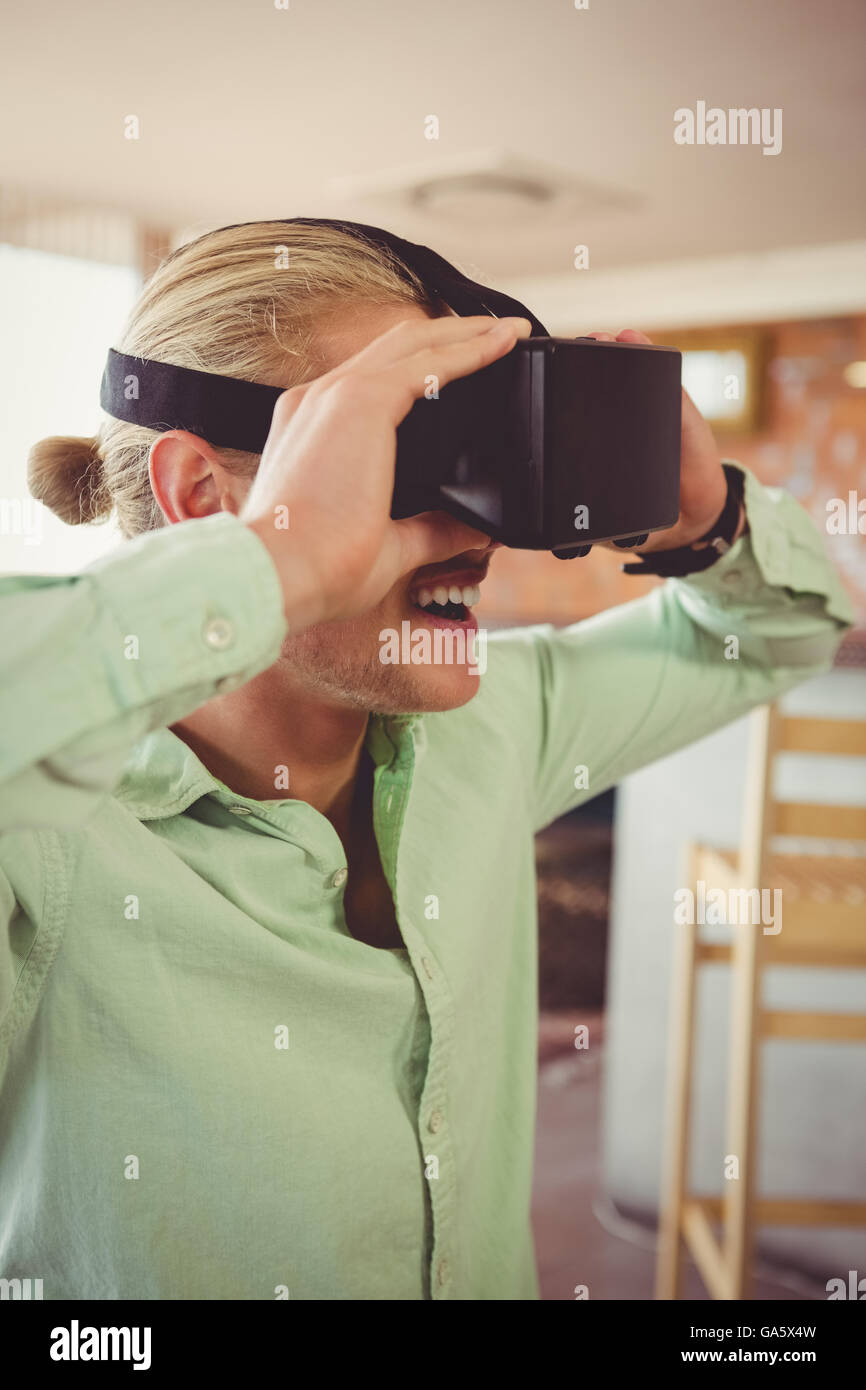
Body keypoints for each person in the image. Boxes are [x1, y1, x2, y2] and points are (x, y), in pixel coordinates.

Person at [0, 220, 852, 1300]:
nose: (475, 527)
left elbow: (781, 631)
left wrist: (704, 519)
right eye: (397, 454)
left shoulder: (492, 730)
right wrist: (284, 561)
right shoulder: (48, 846)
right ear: (204, 498)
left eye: (478, 455)